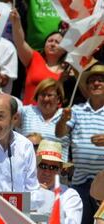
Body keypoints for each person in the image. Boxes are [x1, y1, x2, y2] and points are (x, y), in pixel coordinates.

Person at [56, 64, 104, 224]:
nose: (96, 83)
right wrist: (63, 119)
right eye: (92, 81)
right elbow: (60, 133)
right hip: (80, 182)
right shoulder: (76, 110)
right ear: (87, 86)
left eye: (100, 80)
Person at [10, 8, 66, 105]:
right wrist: (16, 23)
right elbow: (20, 42)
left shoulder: (68, 69)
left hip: (54, 118)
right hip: (29, 116)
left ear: (65, 49)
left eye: (57, 42)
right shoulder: (34, 58)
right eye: (50, 41)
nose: (52, 44)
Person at [17, 78, 70, 161]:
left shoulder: (67, 115)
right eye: (42, 95)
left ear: (58, 99)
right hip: (27, 168)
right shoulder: (26, 111)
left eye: (49, 95)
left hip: (55, 170)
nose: (46, 99)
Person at [35, 140, 83, 224]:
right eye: (43, 166)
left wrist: (47, 197)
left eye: (53, 167)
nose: (47, 172)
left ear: (60, 170)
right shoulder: (24, 189)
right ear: (35, 166)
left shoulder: (70, 196)